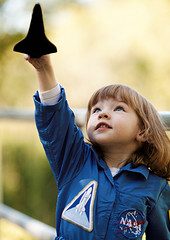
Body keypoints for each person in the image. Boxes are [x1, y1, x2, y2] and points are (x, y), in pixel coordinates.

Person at [26, 54, 170, 240]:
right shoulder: (75, 160)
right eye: (96, 110)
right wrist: (43, 69)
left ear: (142, 131)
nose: (103, 114)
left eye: (118, 108)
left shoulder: (154, 187)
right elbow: (55, 118)